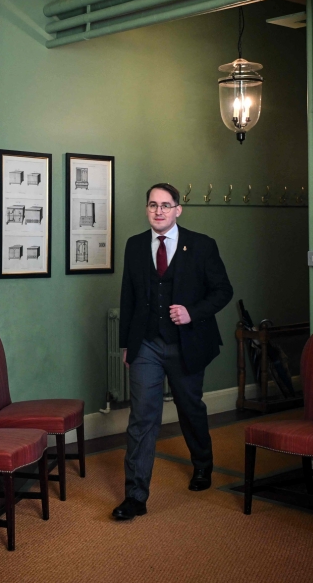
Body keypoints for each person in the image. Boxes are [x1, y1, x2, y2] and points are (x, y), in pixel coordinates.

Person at [112, 183, 234, 521]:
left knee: (189, 407)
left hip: (187, 343)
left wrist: (192, 311)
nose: (159, 211)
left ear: (178, 209)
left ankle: (202, 465)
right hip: (147, 343)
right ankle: (135, 496)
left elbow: (224, 290)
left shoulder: (202, 246)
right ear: (147, 209)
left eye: (166, 205)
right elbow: (128, 296)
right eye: (153, 205)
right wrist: (126, 344)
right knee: (142, 417)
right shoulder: (135, 246)